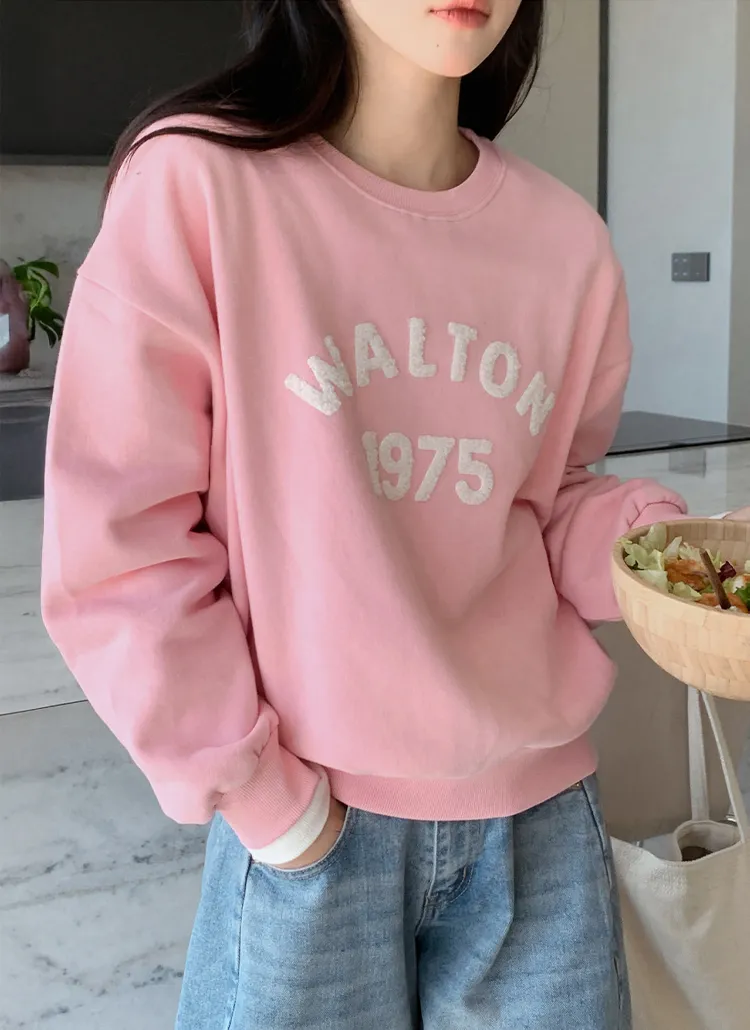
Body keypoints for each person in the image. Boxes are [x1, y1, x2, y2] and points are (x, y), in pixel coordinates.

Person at [42, 1, 715, 1027]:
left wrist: (657, 547)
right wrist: (270, 804)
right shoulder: (200, 185)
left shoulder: (565, 245)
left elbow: (546, 504)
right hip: (313, 828)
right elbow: (117, 545)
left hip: (538, 824)